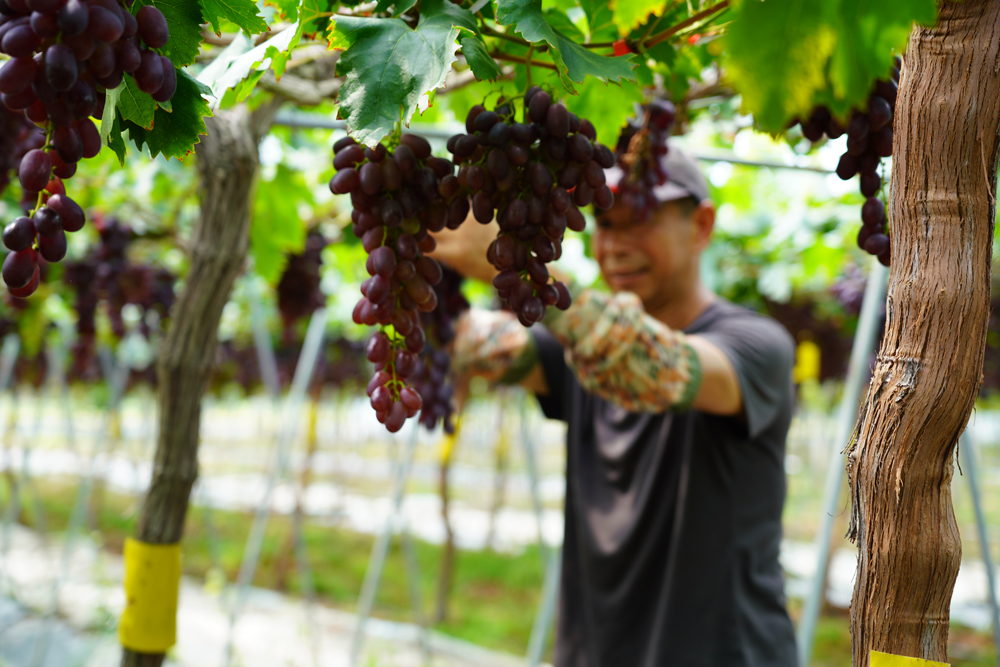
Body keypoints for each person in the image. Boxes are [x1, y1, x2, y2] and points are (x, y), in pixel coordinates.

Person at [430, 111, 799, 667]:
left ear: (701, 226)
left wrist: (520, 265)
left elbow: (648, 362)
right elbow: (469, 343)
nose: (617, 244)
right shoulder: (572, 349)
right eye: (605, 225)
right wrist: (421, 257)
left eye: (639, 221)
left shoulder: (754, 347)